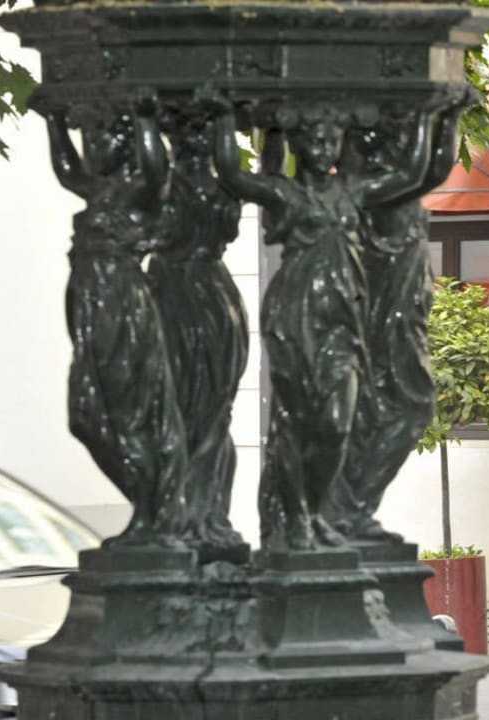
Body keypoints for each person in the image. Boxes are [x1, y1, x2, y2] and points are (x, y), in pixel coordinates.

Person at [204, 90, 439, 551]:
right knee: (298, 422)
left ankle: (317, 509)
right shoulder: (286, 193)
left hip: (341, 323)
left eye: (333, 138)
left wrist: (433, 115)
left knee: (336, 423)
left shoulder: (353, 192)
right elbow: (233, 172)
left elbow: (413, 172)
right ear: (300, 143)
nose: (326, 147)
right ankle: (299, 522)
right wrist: (224, 116)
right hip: (296, 318)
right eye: (315, 138)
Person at [40, 92, 187, 547]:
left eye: (103, 137)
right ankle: (151, 507)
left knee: (127, 411)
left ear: (124, 145)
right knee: (86, 414)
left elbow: (157, 168)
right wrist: (54, 120)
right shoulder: (99, 190)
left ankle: (152, 511)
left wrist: (145, 120)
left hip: (121, 308)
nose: (94, 146)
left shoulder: (140, 194)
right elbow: (67, 170)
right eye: (92, 138)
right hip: (88, 305)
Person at [324, 91, 472, 542]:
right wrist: (437, 113)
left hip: (404, 311)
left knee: (405, 408)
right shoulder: (362, 191)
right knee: (395, 406)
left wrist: (448, 117)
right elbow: (420, 169)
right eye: (372, 138)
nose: (386, 145)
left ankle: (354, 507)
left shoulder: (395, 188)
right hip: (382, 317)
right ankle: (346, 507)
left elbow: (432, 167)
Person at [147, 112, 249, 552]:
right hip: (171, 294)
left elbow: (233, 172)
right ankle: (175, 514)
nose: (191, 144)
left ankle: (209, 515)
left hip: (210, 298)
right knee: (173, 409)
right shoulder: (158, 187)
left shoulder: (223, 187)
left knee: (214, 413)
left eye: (200, 134)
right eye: (184, 134)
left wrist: (233, 122)